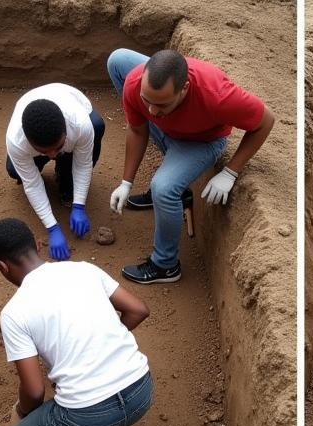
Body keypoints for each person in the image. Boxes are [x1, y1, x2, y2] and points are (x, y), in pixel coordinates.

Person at [0, 217, 154, 426]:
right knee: (84, 411)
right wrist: (101, 343)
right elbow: (138, 310)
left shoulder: (14, 313)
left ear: (2, 266)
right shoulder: (85, 270)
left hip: (86, 413)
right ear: (38, 245)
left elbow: (35, 391)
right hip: (141, 391)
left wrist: (22, 413)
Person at [106, 48, 275, 285]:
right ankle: (178, 193)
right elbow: (137, 129)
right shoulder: (136, 84)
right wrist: (126, 182)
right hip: (172, 128)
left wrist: (230, 171)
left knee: (163, 188)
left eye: (162, 104)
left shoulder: (217, 96)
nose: (152, 112)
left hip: (202, 141)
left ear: (184, 88)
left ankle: (166, 265)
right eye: (147, 101)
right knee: (118, 59)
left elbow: (266, 121)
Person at [5, 84, 106, 261]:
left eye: (58, 147)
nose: (52, 156)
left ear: (65, 132)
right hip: (45, 138)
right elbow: (32, 184)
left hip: (74, 110)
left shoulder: (80, 124)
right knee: (15, 171)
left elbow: (83, 164)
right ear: (29, 141)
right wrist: (52, 227)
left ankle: (65, 172)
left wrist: (79, 205)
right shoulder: (16, 140)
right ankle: (57, 156)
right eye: (45, 151)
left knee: (97, 125)